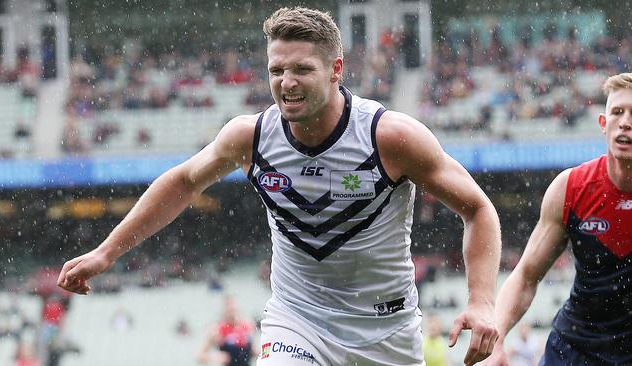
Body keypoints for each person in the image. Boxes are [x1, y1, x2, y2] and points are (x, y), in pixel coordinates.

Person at [58, 7, 501, 365]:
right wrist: (106, 252)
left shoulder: (391, 137)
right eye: (276, 69)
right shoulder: (250, 137)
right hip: (297, 319)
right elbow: (183, 182)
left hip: (385, 328)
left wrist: (481, 301)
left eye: (302, 69)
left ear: (336, 70)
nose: (286, 83)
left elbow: (478, 209)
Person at [483, 72, 632, 366]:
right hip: (575, 350)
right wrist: (496, 340)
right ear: (604, 124)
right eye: (617, 112)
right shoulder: (572, 188)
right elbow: (526, 276)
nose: (625, 121)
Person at [197, 296, 256, 366]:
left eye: (233, 310)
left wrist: (255, 352)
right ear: (224, 311)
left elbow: (252, 350)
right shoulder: (217, 329)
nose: (232, 314)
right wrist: (215, 357)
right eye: (229, 311)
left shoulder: (248, 326)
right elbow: (199, 356)